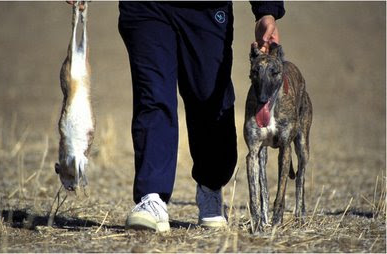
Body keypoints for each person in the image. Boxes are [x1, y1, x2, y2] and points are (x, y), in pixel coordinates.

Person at [67, 1, 284, 232]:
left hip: (206, 9)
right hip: (145, 7)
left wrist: (266, 10)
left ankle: (211, 186)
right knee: (153, 96)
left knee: (209, 98)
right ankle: (152, 197)